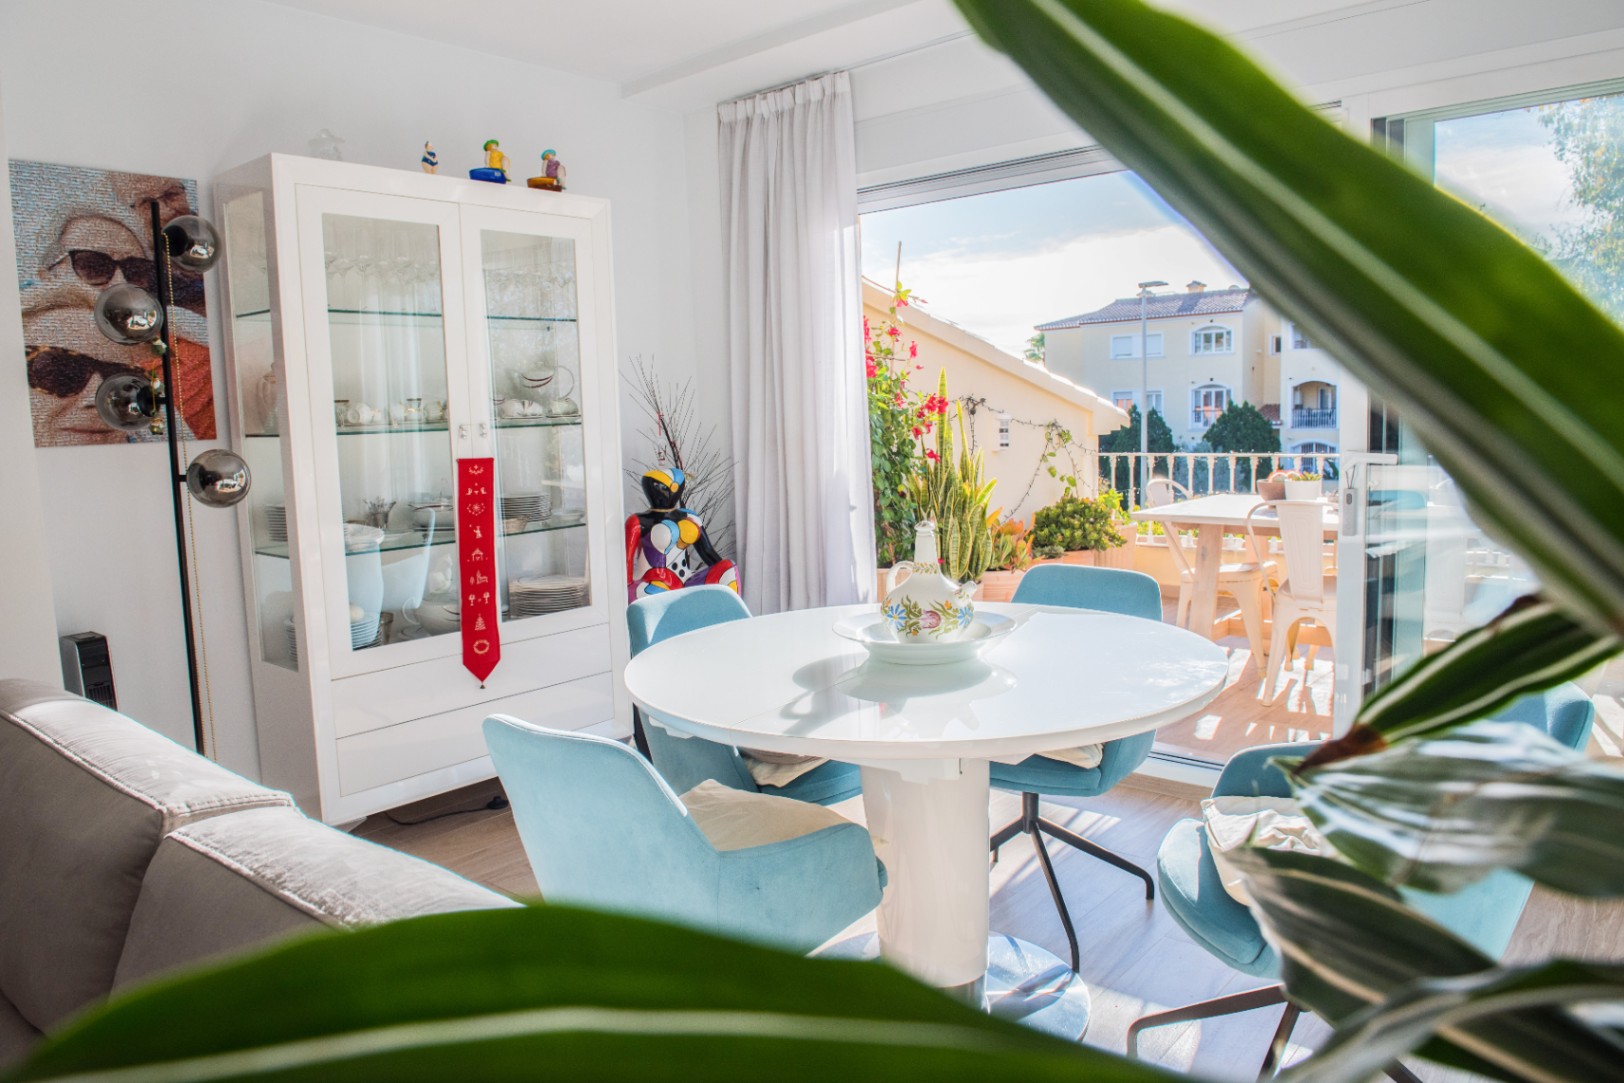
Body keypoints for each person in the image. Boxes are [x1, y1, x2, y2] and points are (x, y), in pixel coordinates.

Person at [624, 467, 738, 602]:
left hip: (685, 580)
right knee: (649, 598)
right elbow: (626, 561)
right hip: (654, 582)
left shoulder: (689, 516)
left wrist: (719, 570)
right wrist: (627, 589)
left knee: (728, 569)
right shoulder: (638, 521)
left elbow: (707, 551)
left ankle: (732, 614)